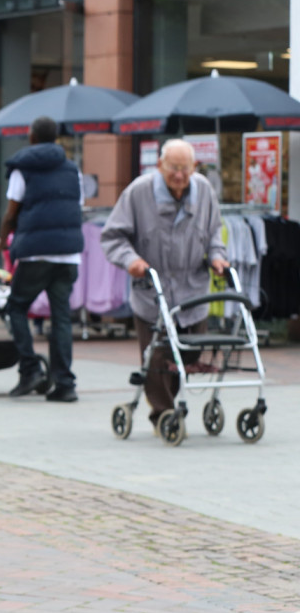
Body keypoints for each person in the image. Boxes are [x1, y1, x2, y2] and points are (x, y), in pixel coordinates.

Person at [101, 138, 229, 431]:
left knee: (191, 354)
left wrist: (218, 257)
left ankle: (170, 406)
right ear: (160, 165)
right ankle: (163, 413)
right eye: (173, 168)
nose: (180, 175)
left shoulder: (205, 191)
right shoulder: (138, 192)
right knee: (157, 358)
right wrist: (130, 260)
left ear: (195, 167)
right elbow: (112, 237)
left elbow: (214, 234)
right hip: (152, 294)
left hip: (192, 293)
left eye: (185, 168)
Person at [0, 116, 83, 402]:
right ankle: (65, 384)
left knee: (16, 307)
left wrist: (2, 240)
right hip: (69, 254)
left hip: (36, 252)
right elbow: (77, 207)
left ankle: (30, 369)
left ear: (32, 136)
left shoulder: (23, 168)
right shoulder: (73, 170)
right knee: (61, 318)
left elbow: (12, 212)